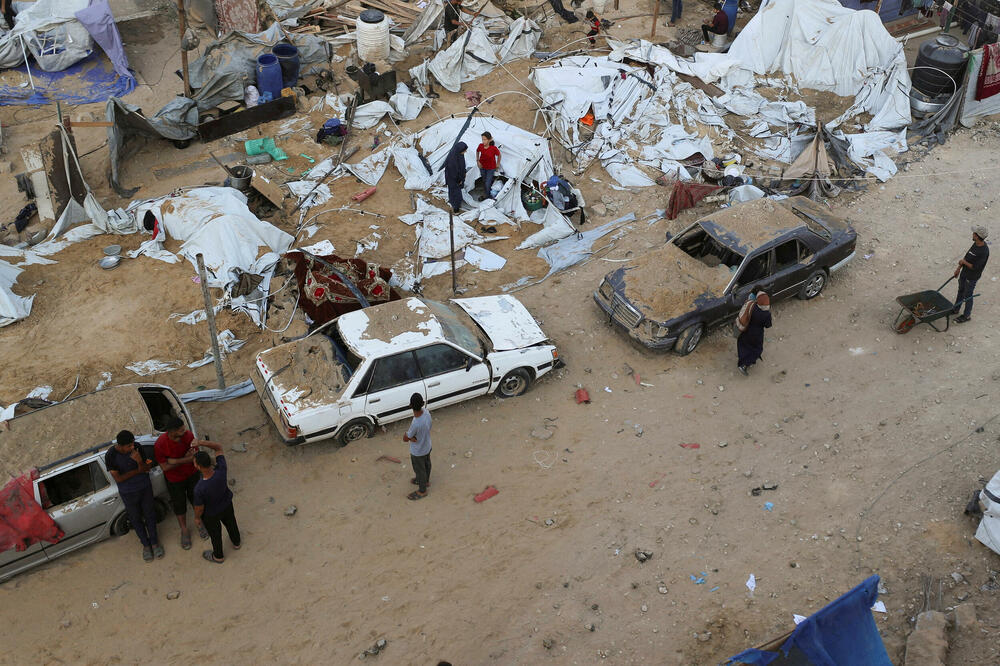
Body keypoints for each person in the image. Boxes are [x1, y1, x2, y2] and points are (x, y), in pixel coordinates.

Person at [105, 431, 163, 562]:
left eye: (132, 444)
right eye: (129, 446)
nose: (132, 448)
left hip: (145, 488)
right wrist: (138, 470)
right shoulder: (111, 455)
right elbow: (119, 479)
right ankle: (146, 545)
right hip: (128, 493)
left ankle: (154, 542)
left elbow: (146, 468)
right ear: (120, 446)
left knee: (150, 514)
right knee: (135, 518)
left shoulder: (137, 447)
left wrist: (139, 461)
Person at [154, 416, 208, 550]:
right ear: (172, 431)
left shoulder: (188, 435)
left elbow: (194, 456)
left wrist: (173, 461)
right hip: (174, 480)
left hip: (192, 475)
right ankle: (184, 530)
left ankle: (199, 522)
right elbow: (165, 467)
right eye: (181, 430)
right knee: (179, 505)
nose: (185, 431)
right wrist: (184, 459)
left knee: (197, 500)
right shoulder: (160, 444)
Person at [192, 440, 241, 564]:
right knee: (231, 524)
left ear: (198, 466)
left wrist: (197, 518)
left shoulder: (199, 488)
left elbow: (199, 507)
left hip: (211, 514)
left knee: (215, 535)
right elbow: (218, 447)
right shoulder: (221, 470)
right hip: (226, 505)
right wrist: (200, 442)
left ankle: (218, 556)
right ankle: (236, 543)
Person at [952, 225, 989, 323]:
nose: (972, 234)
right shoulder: (975, 244)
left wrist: (964, 263)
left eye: (974, 233)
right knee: (961, 290)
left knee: (968, 295)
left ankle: (967, 315)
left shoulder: (984, 251)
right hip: (964, 273)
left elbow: (976, 267)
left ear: (977, 236)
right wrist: (958, 269)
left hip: (972, 277)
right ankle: (956, 308)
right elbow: (966, 257)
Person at [403, 393, 432, 501]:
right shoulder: (427, 413)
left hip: (418, 451)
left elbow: (406, 438)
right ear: (423, 403)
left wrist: (409, 437)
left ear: (410, 405)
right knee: (427, 464)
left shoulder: (416, 423)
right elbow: (429, 426)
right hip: (427, 445)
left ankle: (422, 490)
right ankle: (426, 481)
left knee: (420, 470)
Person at [736, 292, 772, 375]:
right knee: (757, 349)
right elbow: (768, 325)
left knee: (743, 345)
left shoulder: (753, 306)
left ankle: (741, 359)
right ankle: (744, 365)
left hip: (746, 330)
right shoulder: (766, 314)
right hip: (757, 334)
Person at [444, 141, 468, 214]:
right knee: (455, 193)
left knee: (455, 192)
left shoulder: (459, 154)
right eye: (464, 150)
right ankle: (456, 208)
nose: (465, 152)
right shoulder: (452, 159)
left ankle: (455, 204)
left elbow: (461, 166)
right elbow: (453, 171)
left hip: (457, 178)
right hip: (453, 179)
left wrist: (463, 173)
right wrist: (459, 180)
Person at [476, 132, 500, 201]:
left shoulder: (493, 148)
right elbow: (477, 151)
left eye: (485, 139)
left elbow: (499, 155)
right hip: (482, 167)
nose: (483, 141)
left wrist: (497, 164)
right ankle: (487, 191)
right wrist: (477, 160)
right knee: (484, 180)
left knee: (487, 182)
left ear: (489, 140)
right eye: (482, 139)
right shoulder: (480, 146)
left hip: (491, 168)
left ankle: (487, 196)